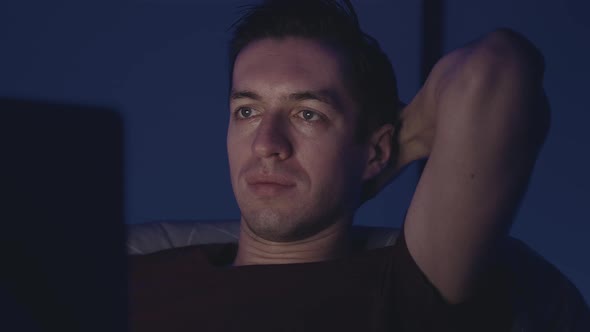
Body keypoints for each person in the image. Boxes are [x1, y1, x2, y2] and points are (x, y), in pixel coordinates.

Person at [129, 0, 549, 331]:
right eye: (247, 112)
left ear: (375, 152)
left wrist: (390, 153)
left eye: (307, 114)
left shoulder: (399, 293)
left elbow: (497, 67)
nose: (266, 145)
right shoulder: (139, 273)